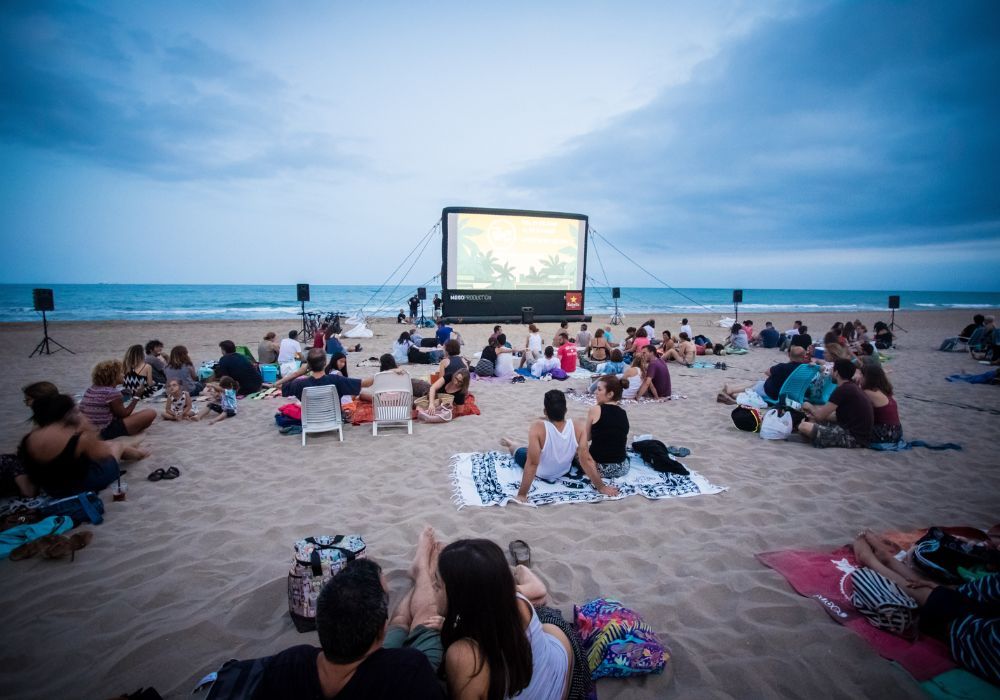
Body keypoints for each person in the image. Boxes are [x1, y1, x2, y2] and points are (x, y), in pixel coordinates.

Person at [254, 557, 446, 700]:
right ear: (381, 630)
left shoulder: (289, 664)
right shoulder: (408, 670)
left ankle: (421, 574)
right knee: (423, 616)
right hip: (396, 669)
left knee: (400, 621)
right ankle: (422, 573)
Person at [852, 531, 999, 686]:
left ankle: (873, 562)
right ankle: (888, 561)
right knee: (947, 592)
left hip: (978, 635)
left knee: (944, 603)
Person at [437, 539, 574, 700]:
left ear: (460, 596)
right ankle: (522, 568)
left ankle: (522, 568)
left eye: (437, 585)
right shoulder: (514, 602)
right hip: (558, 675)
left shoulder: (463, 655)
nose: (434, 591)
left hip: (556, 680)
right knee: (548, 621)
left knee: (547, 617)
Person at [18, 393, 149, 498]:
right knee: (116, 446)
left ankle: (135, 447)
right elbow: (103, 455)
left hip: (52, 489)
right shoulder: (76, 438)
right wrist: (88, 429)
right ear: (67, 414)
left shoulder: (29, 438)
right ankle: (141, 453)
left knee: (109, 444)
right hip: (82, 485)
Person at [500, 390, 582, 501]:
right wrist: (601, 487)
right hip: (564, 470)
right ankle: (520, 445)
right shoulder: (577, 426)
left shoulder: (537, 427)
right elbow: (586, 459)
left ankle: (511, 443)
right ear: (566, 410)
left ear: (545, 411)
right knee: (539, 448)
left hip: (542, 472)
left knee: (519, 450)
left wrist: (522, 494)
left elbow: (533, 463)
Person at [798, 359, 873, 448]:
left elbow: (820, 415)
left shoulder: (842, 390)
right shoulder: (851, 387)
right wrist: (814, 414)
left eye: (832, 370)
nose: (830, 373)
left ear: (836, 373)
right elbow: (834, 415)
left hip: (853, 438)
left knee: (804, 426)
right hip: (859, 435)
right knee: (813, 420)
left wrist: (808, 406)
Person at [81, 360, 157, 439]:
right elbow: (124, 414)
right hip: (104, 431)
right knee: (150, 413)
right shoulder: (111, 393)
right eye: (121, 373)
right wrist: (137, 396)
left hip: (90, 428)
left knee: (137, 416)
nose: (124, 375)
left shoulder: (92, 389)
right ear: (113, 376)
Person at [579, 375, 631, 484]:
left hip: (599, 468)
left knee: (577, 451)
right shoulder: (623, 413)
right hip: (622, 467)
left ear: (610, 394)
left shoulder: (595, 409)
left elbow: (587, 438)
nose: (595, 393)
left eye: (599, 390)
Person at [717, 346, 808, 404]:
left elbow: (767, 372)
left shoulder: (782, 367)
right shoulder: (806, 370)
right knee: (757, 383)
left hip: (772, 393)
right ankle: (731, 389)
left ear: (789, 355)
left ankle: (732, 392)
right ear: (804, 357)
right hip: (790, 395)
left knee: (755, 386)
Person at [283, 349, 376, 401]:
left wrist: (299, 372)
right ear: (325, 363)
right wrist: (381, 374)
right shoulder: (336, 380)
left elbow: (281, 386)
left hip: (311, 420)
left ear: (309, 365)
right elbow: (366, 383)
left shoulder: (299, 384)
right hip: (333, 419)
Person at [861, 364, 902, 445]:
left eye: (862, 375)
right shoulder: (883, 390)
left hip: (885, 433)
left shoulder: (868, 393)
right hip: (896, 431)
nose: (860, 377)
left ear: (868, 378)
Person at [428, 340, 470, 407]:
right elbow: (466, 379)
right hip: (460, 393)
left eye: (444, 348)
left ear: (447, 350)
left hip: (447, 392)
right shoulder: (464, 361)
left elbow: (441, 380)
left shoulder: (444, 362)